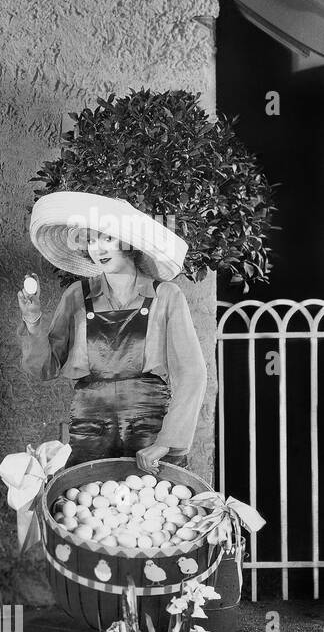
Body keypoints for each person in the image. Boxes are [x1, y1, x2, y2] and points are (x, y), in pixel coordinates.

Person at [18, 191, 206, 472]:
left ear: (129, 242)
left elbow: (192, 373)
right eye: (91, 240)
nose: (98, 249)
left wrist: (167, 442)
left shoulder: (166, 296)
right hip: (90, 431)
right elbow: (46, 368)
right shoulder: (76, 296)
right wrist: (33, 322)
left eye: (107, 238)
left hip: (150, 429)